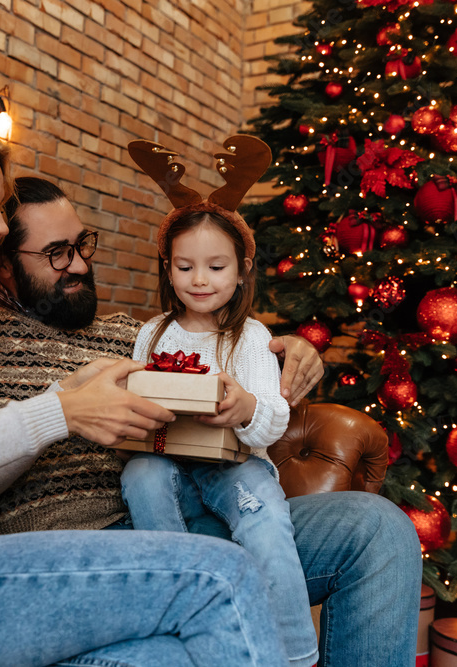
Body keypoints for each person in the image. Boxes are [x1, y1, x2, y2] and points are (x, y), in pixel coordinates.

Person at [0, 175, 423, 666]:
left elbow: (226, 338)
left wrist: (292, 349)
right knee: (205, 591)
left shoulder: (135, 332)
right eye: (55, 254)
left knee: (379, 530)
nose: (79, 264)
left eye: (82, 244)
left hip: (183, 510)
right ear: (1, 264)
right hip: (66, 549)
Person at [121, 198, 316, 667]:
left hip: (238, 464)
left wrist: (245, 407)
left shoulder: (251, 337)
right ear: (168, 269)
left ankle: (295, 653)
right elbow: (139, 392)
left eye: (216, 266)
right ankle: (178, 607)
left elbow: (274, 417)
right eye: (185, 267)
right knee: (138, 474)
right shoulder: (153, 332)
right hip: (170, 458)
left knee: (265, 516)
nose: (200, 280)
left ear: (243, 269)